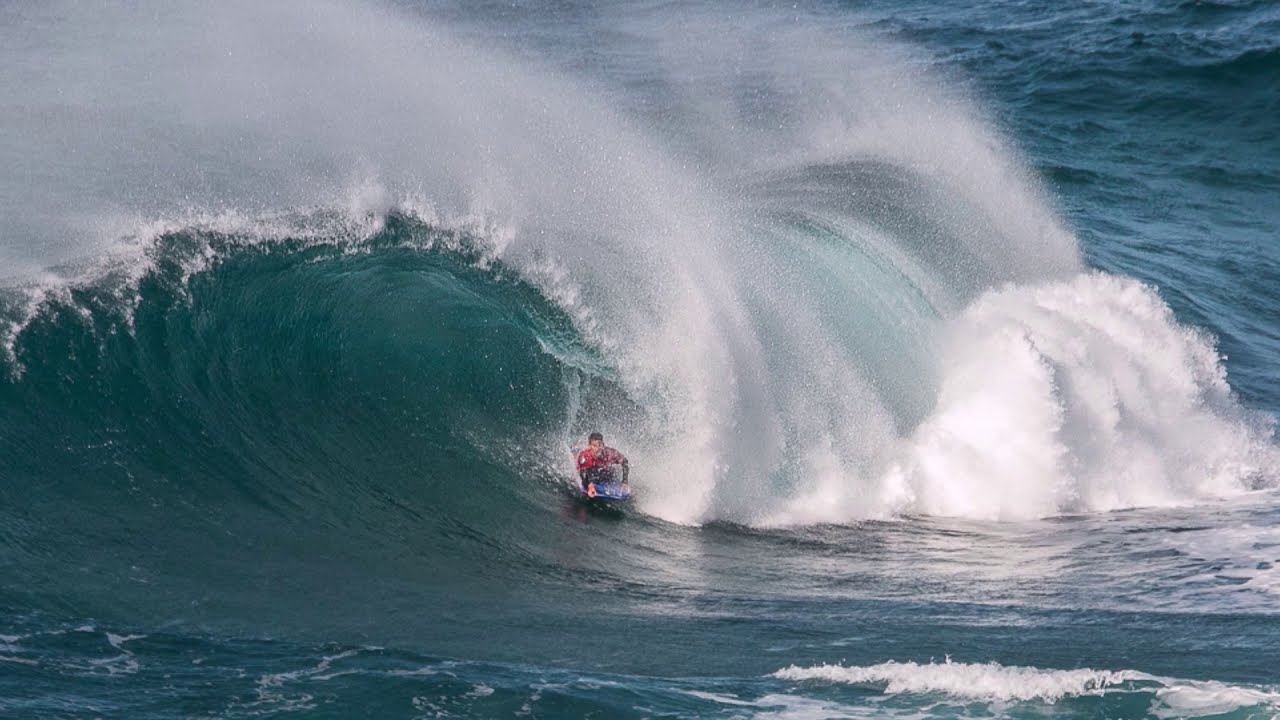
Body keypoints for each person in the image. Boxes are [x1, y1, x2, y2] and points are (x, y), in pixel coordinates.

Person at [576, 431, 629, 498]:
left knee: (611, 470)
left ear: (603, 445)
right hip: (590, 472)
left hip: (603, 471)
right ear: (589, 446)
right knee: (588, 471)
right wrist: (589, 486)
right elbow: (582, 473)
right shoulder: (586, 456)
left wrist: (625, 481)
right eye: (594, 446)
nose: (597, 449)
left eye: (599, 445)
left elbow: (625, 462)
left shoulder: (609, 453)